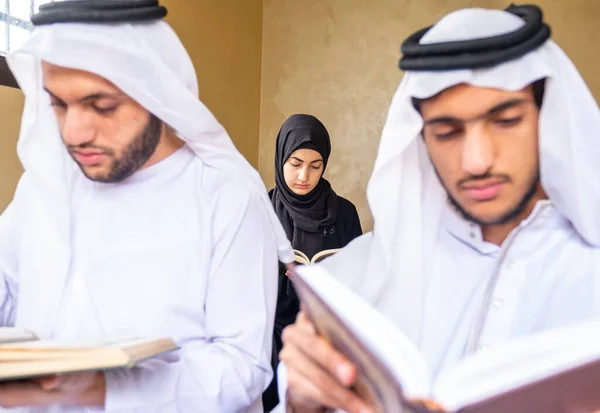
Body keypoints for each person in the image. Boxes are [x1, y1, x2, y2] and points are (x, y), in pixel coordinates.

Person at [276, 4, 600, 413]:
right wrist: (301, 401)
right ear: (422, 138)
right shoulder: (354, 278)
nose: (477, 160)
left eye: (506, 121)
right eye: (448, 132)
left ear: (546, 118)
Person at [0, 1, 295, 412]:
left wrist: (98, 390)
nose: (75, 131)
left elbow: (241, 366)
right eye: (58, 104)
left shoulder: (226, 199)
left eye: (102, 106)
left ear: (156, 91)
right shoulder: (41, 186)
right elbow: (8, 288)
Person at [262, 114, 362, 411]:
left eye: (315, 166)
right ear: (281, 159)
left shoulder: (344, 213)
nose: (304, 176)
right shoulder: (263, 208)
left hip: (325, 333)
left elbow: (358, 276)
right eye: (295, 164)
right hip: (272, 330)